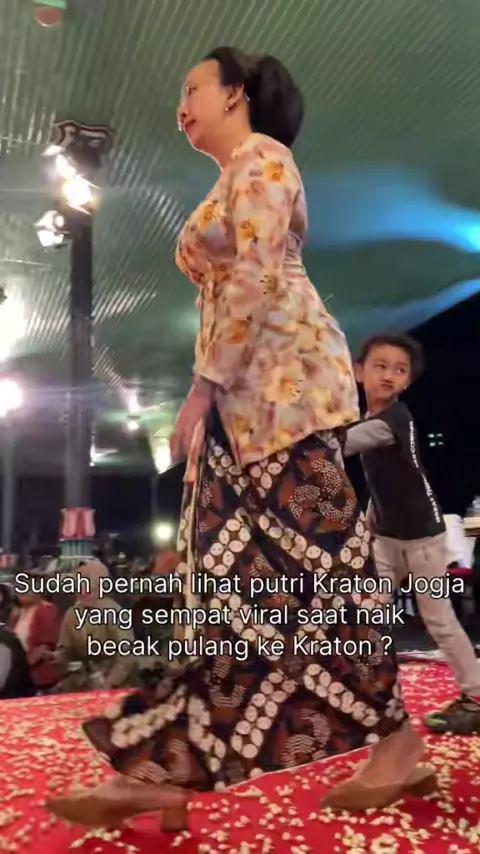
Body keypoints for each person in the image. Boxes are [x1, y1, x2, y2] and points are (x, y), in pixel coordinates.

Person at [46, 46, 435, 828]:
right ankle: (163, 768)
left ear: (236, 94)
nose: (181, 104)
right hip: (247, 412)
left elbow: (255, 276)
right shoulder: (240, 175)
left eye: (193, 87)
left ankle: (395, 746)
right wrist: (214, 397)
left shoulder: (264, 159)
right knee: (224, 594)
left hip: (283, 404)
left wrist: (201, 389)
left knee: (319, 581)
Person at [342, 331, 480, 734]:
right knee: (368, 611)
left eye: (399, 370)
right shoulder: (370, 418)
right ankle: (367, 692)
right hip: (387, 538)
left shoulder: (394, 419)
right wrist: (372, 513)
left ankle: (475, 697)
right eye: (380, 366)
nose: (389, 375)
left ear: (407, 381)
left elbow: (344, 444)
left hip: (424, 540)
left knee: (438, 619)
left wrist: (302, 429)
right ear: (359, 371)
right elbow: (385, 478)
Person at [51, 560, 138, 693]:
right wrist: (56, 657)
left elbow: (126, 656)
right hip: (87, 680)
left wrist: (109, 684)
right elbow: (66, 650)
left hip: (117, 682)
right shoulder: (72, 614)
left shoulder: (114, 612)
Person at [11, 581, 62, 692]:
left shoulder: (46, 610)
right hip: (20, 677)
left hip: (38, 679)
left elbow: (43, 648)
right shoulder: (18, 613)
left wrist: (20, 670)